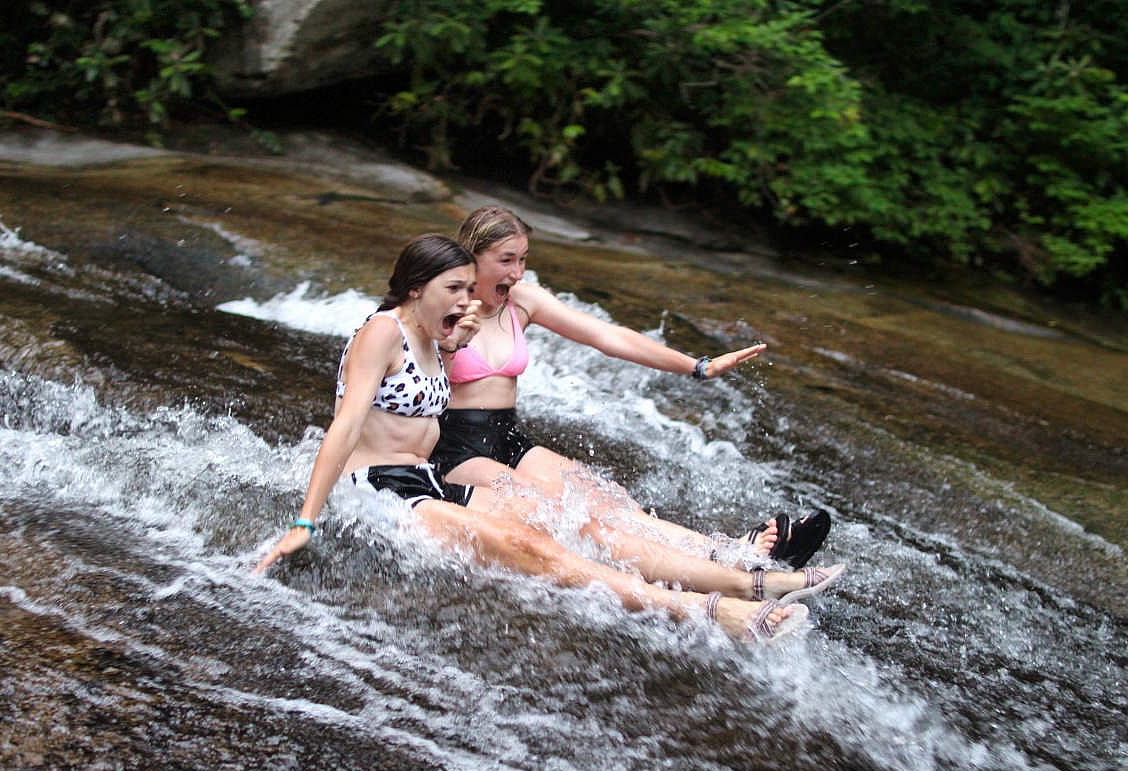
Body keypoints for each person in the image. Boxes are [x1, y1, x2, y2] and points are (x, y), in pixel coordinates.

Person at [254, 233, 845, 642]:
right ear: (416, 286)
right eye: (455, 288)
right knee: (536, 550)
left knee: (563, 521)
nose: (466, 300)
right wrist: (306, 521)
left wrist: (695, 366)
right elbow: (345, 425)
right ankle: (717, 614)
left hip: (427, 479)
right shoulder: (382, 331)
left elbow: (601, 337)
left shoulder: (439, 335)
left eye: (468, 289)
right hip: (379, 487)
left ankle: (752, 575)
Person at [431, 206, 830, 571]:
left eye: (522, 259)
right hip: (456, 449)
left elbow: (608, 337)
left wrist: (698, 367)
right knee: (554, 509)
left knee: (607, 500)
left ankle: (729, 554)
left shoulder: (522, 301)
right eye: (506, 260)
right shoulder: (442, 310)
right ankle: (712, 574)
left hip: (508, 437)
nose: (517, 272)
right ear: (471, 258)